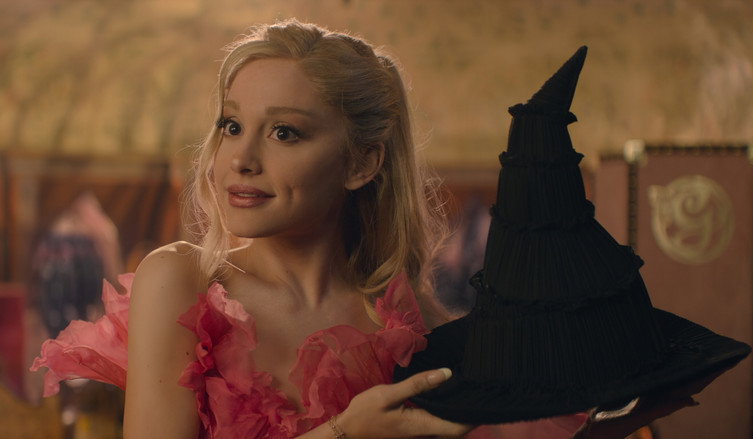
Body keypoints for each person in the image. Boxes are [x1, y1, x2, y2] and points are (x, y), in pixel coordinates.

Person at [33, 19, 696, 439]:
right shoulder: (181, 282)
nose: (241, 157)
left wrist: (609, 408)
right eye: (232, 125)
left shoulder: (402, 320)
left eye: (284, 132)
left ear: (361, 163)